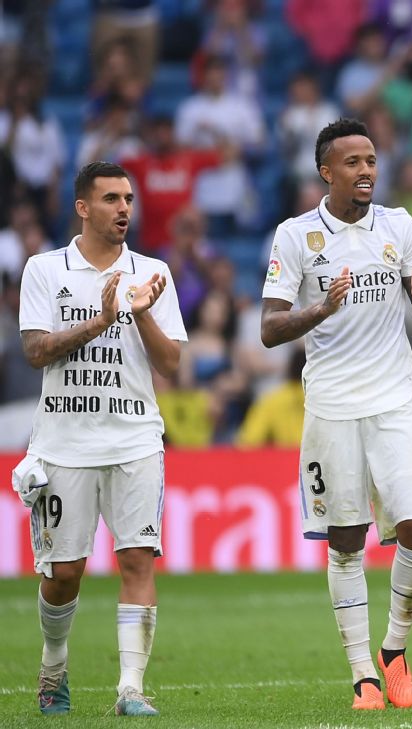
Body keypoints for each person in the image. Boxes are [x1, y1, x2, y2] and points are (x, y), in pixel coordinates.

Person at [260, 118, 412, 711]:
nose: (366, 170)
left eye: (371, 160)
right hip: (333, 406)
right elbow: (269, 329)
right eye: (353, 162)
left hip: (395, 400)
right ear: (325, 172)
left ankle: (394, 651)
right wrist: (322, 308)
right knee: (346, 540)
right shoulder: (295, 236)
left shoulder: (399, 226)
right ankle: (363, 673)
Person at [18, 161, 187, 717]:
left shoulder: (152, 272)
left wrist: (138, 314)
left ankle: (131, 689)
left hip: (136, 440)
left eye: (130, 199)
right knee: (64, 574)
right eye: (111, 198)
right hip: (64, 445)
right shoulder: (45, 270)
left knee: (138, 559)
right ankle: (53, 667)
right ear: (83, 207)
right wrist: (99, 319)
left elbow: (171, 365)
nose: (124, 209)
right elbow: (36, 350)